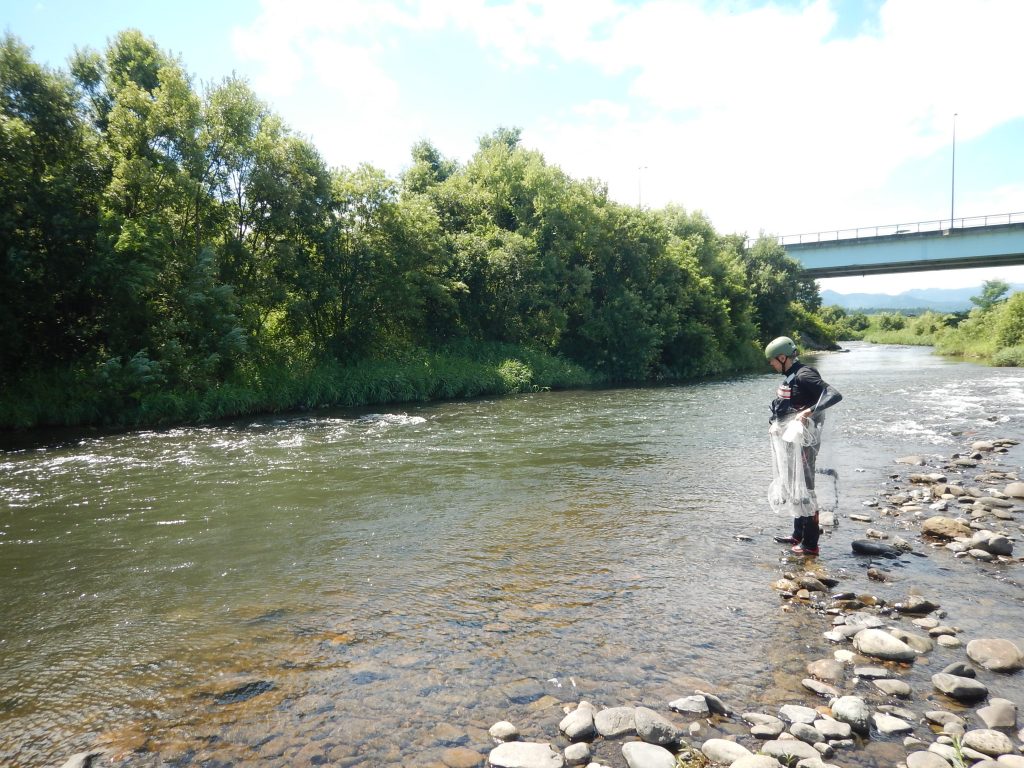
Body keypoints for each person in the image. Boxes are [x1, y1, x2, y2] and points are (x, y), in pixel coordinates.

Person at [764, 336, 842, 556]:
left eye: (772, 360)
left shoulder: (804, 374)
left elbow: (833, 394)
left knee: (805, 487)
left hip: (806, 442)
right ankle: (797, 534)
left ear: (782, 357)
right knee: (794, 483)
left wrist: (810, 411)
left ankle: (811, 543)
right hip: (793, 441)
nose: (771, 365)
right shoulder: (791, 376)